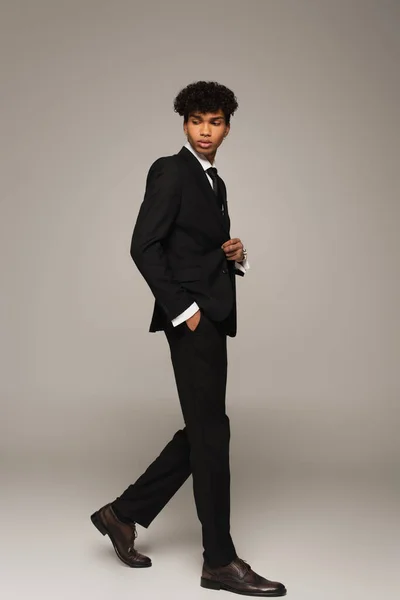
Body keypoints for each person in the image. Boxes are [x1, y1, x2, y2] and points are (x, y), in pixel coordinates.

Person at [90, 81, 287, 597]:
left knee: (207, 430)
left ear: (227, 127)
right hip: (194, 320)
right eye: (197, 120)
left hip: (213, 315)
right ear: (184, 123)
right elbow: (144, 246)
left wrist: (232, 251)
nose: (206, 131)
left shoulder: (213, 182)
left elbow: (192, 246)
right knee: (212, 433)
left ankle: (124, 512)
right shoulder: (171, 170)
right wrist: (185, 310)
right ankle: (218, 560)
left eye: (216, 121)